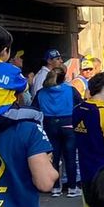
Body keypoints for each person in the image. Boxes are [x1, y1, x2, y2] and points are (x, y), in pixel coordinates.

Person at [34, 69, 83, 197]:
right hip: (68, 124)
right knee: (70, 157)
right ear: (63, 78)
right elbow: (80, 105)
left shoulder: (40, 93)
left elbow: (34, 110)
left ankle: (55, 187)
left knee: (53, 158)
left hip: (49, 125)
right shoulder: (70, 90)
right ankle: (72, 188)